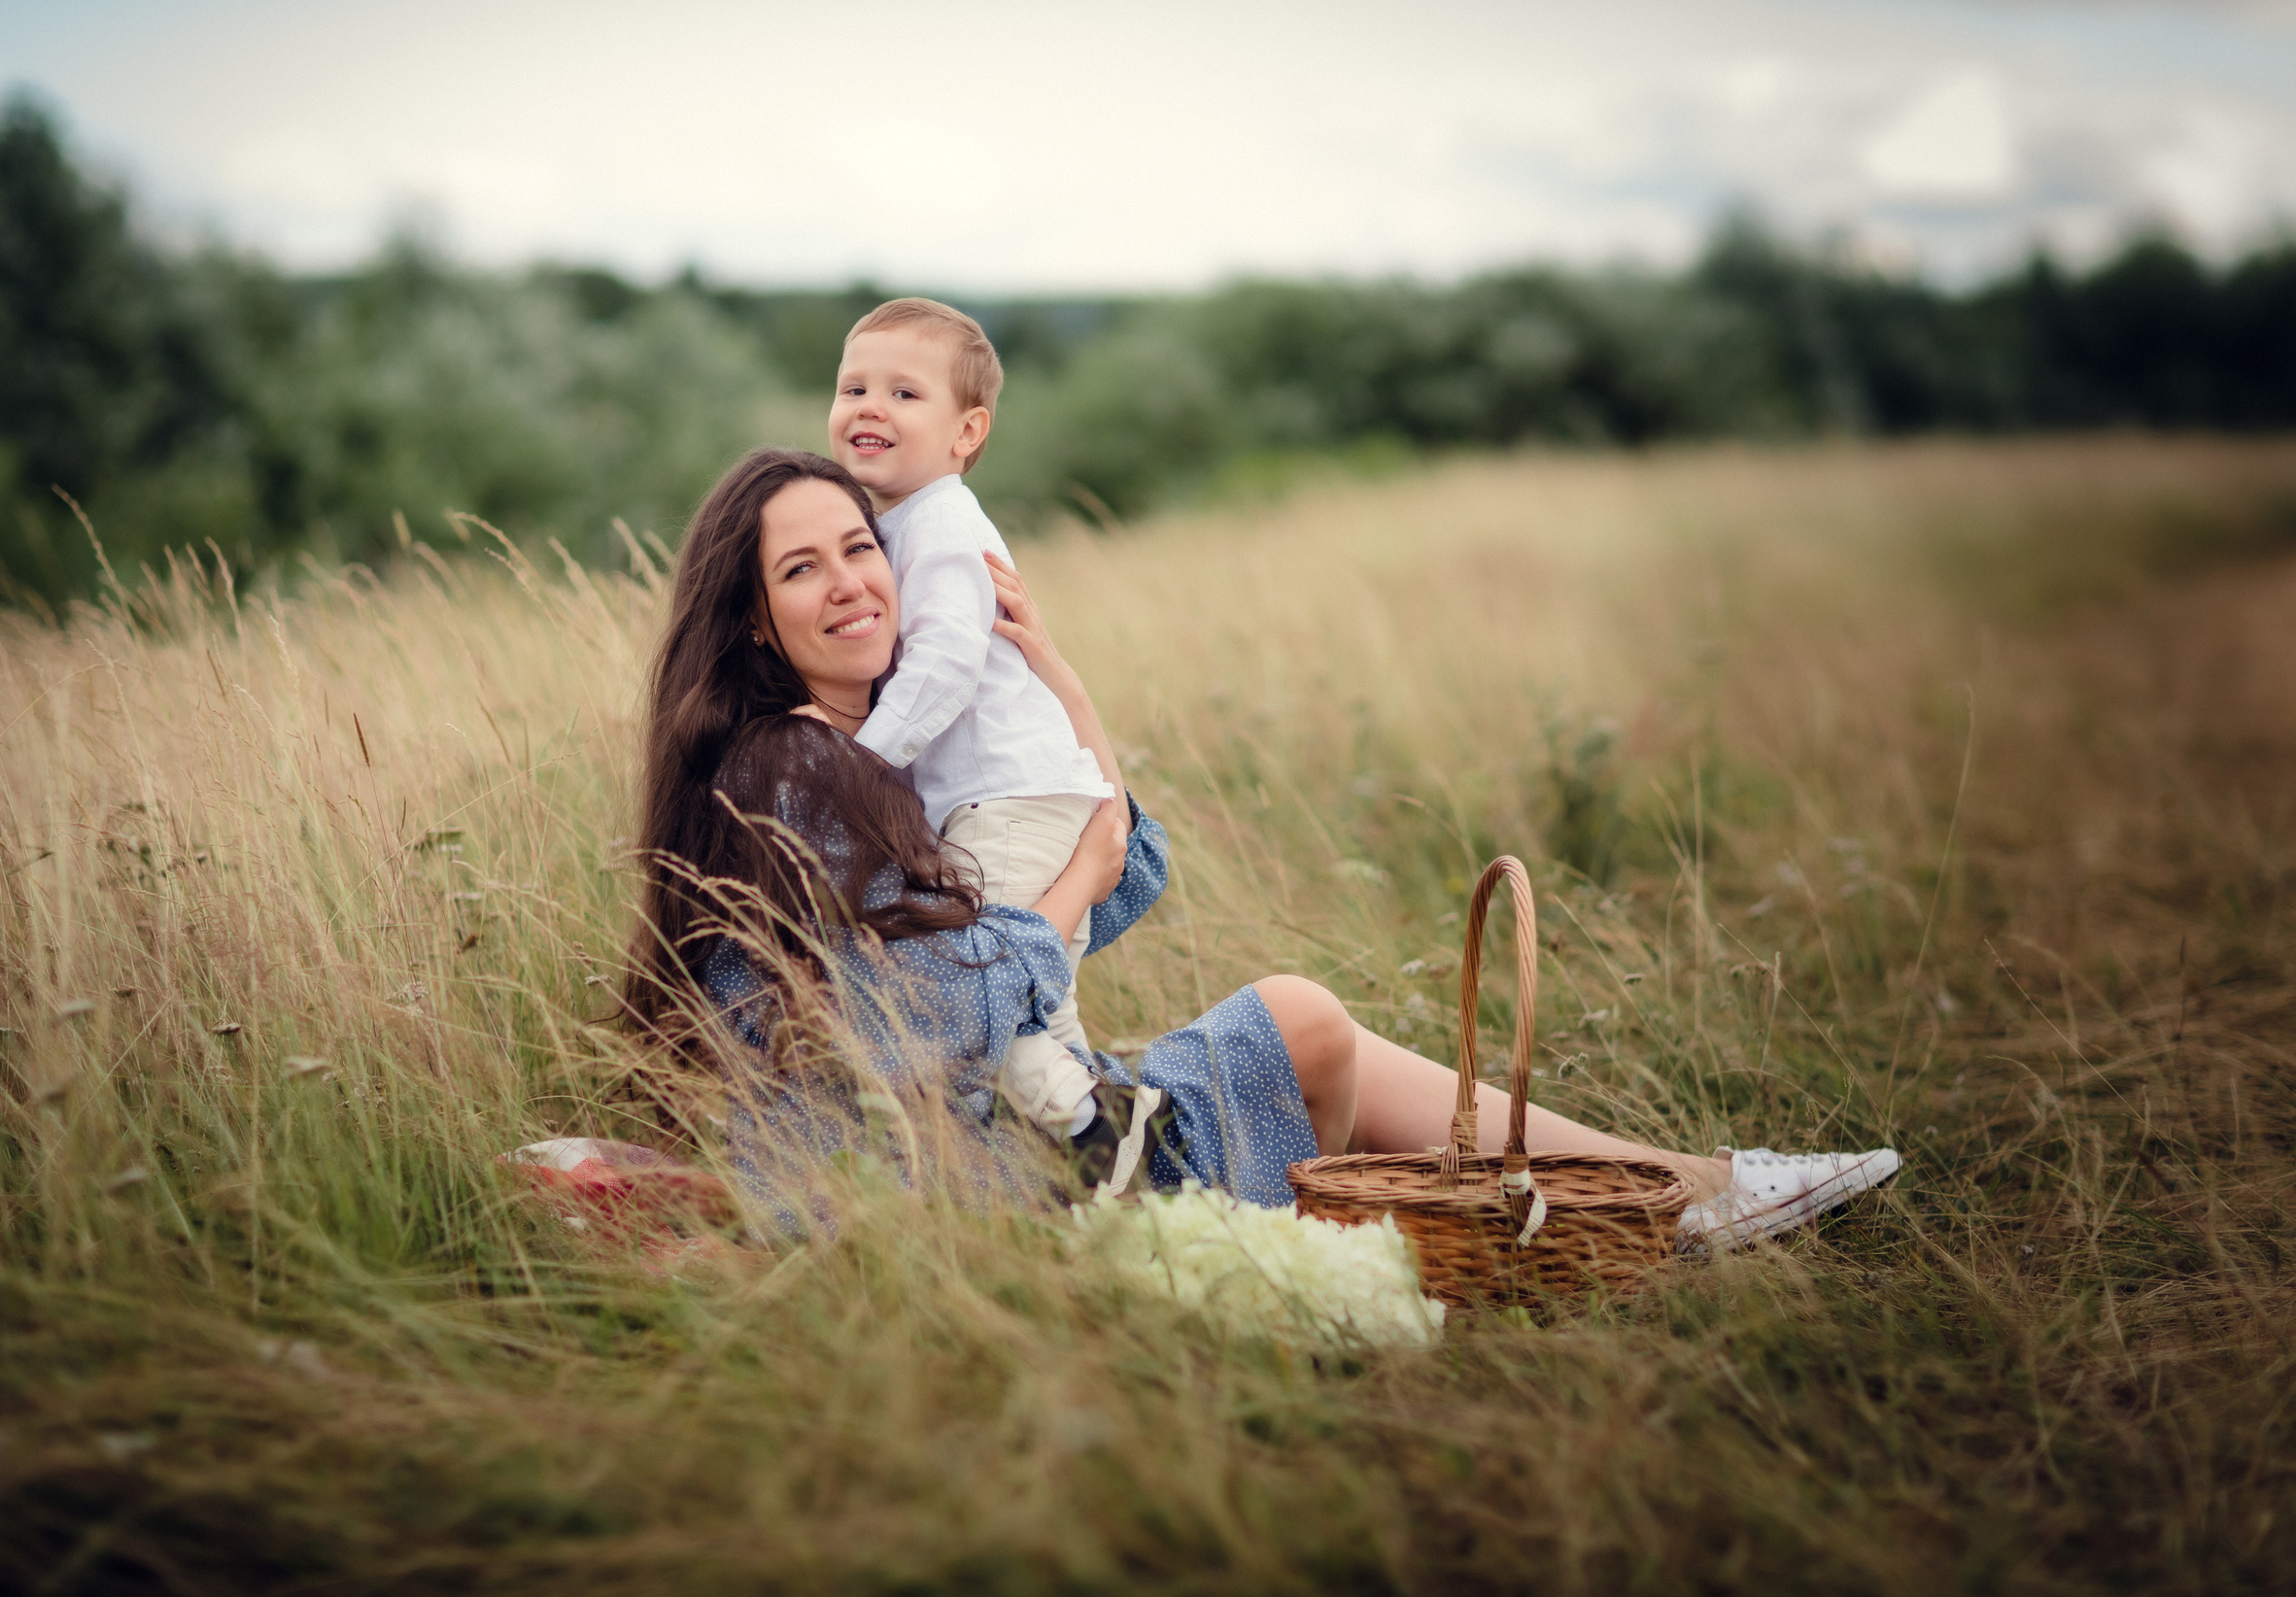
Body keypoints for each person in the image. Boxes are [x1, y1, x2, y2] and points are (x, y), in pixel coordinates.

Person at [623, 446, 1901, 1246]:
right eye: (804, 568)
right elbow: (904, 1016)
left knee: (1306, 1038)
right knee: (1297, 1020)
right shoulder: (798, 764)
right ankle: (1676, 1198)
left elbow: (1126, 871)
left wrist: (1061, 691)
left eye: (862, 546)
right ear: (755, 620)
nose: (852, 580)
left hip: (959, 1144)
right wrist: (1071, 885)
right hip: (949, 1187)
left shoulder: (877, 749)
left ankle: (1662, 1198)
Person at [820, 298, 1122, 1151]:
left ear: (967, 432)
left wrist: (857, 764)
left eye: (904, 393)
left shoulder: (944, 524)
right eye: (854, 387)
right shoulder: (901, 525)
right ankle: (1105, 1160)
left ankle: (1093, 1126)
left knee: (973, 993)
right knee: (1039, 1011)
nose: (871, 407)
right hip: (1019, 805)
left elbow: (946, 666)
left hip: (1009, 807)